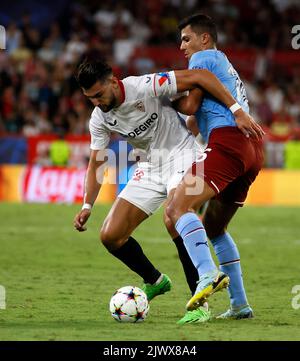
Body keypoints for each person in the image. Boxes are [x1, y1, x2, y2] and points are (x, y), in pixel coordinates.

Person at [73, 55, 260, 311]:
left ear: (113, 82)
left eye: (98, 94)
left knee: (174, 216)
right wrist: (87, 206)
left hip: (181, 154)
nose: (96, 102)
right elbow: (97, 162)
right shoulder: (100, 118)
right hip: (150, 167)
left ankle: (200, 302)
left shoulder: (146, 85)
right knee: (110, 235)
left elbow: (201, 77)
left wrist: (236, 110)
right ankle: (155, 281)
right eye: (90, 98)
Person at [165, 13, 265, 324]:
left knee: (177, 208)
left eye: (186, 38)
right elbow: (195, 119)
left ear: (204, 38)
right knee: (214, 229)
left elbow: (190, 107)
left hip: (228, 144)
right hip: (251, 150)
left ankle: (207, 275)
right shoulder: (222, 64)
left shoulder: (203, 57)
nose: (182, 46)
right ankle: (239, 304)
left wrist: (160, 97)